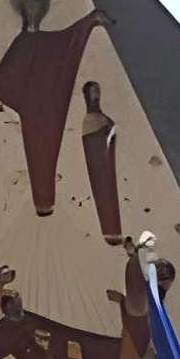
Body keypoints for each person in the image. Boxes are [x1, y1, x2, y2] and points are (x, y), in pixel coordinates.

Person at [0, 0, 111, 218]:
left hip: (51, 107)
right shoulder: (22, 42)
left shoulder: (51, 42)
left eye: (37, 8)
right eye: (29, 8)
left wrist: (91, 21)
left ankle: (45, 202)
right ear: (23, 13)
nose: (33, 12)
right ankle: (43, 202)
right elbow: (6, 75)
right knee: (38, 153)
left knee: (47, 152)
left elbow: (70, 39)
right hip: (32, 109)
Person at [79, 80, 122, 241]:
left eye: (98, 90)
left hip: (108, 166)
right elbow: (93, 144)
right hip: (101, 167)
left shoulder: (100, 116)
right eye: (93, 91)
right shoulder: (90, 120)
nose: (96, 94)